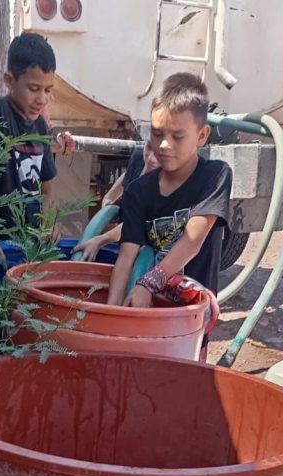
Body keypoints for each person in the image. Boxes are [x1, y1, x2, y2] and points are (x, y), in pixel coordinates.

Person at [106, 73, 232, 325]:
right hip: (146, 312)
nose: (163, 144)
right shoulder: (138, 191)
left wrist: (149, 282)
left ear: (202, 135)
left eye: (177, 136)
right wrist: (111, 313)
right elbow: (126, 256)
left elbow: (192, 241)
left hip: (190, 316)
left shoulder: (214, 176)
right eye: (157, 133)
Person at [0, 33, 75, 263]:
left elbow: (48, 189)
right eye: (34, 88)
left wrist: (49, 224)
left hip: (29, 247)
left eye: (48, 90)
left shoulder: (40, 126)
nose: (42, 98)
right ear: (9, 80)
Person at [73, 140, 159, 262]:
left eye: (159, 154)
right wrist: (109, 197)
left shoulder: (164, 183)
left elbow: (135, 224)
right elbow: (128, 174)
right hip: (124, 242)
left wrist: (101, 240)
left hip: (146, 252)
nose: (151, 158)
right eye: (149, 147)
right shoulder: (139, 158)